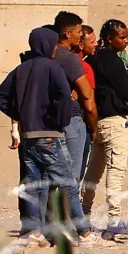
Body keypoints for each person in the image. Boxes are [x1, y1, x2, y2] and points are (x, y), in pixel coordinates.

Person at [0, 27, 100, 245]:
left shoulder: (20, 69)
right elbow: (63, 97)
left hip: (28, 135)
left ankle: (34, 232)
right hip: (50, 134)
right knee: (68, 182)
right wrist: (59, 118)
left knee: (34, 183)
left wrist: (21, 114)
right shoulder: (53, 67)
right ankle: (84, 232)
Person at [81, 19, 128, 237]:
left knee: (93, 172)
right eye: (121, 37)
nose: (125, 41)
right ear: (110, 38)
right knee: (116, 170)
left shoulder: (92, 58)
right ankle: (114, 221)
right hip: (114, 121)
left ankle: (83, 215)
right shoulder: (111, 59)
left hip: (97, 121)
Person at [50, 11, 91, 178]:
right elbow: (87, 93)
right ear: (67, 33)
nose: (81, 36)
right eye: (79, 32)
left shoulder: (48, 55)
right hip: (71, 118)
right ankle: (68, 205)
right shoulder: (68, 57)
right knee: (71, 177)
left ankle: (55, 205)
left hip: (50, 119)